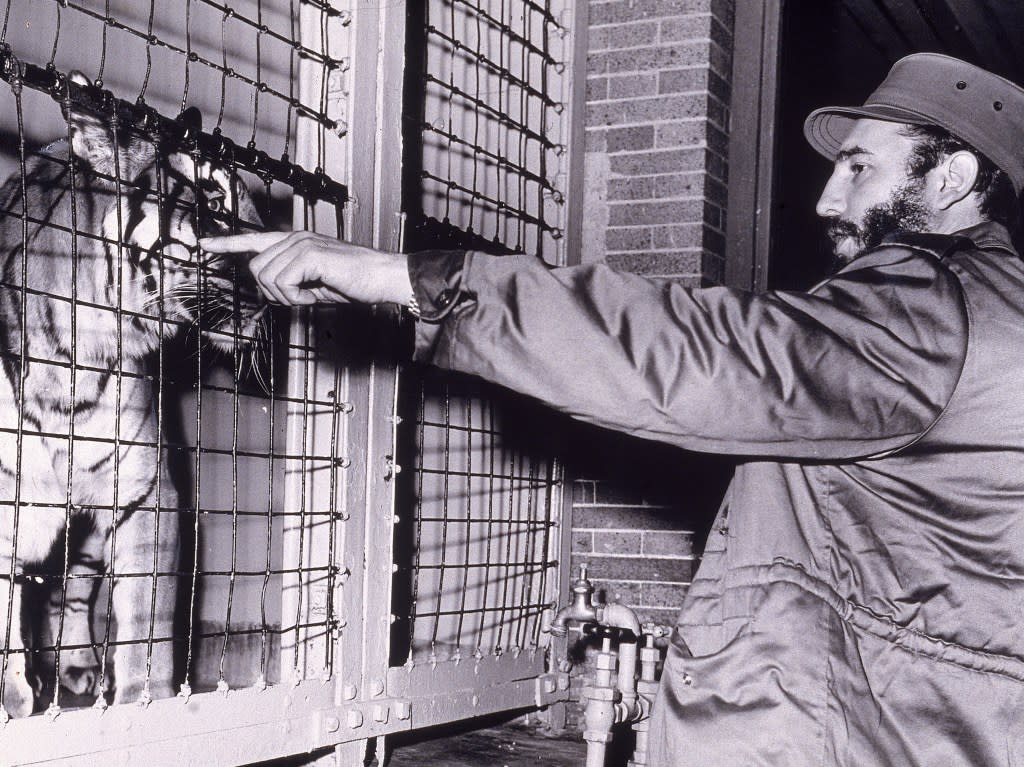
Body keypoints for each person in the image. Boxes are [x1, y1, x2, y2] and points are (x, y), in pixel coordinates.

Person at [203, 53, 1024, 765]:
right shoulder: (1002, 308)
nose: (825, 200)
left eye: (858, 168)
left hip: (861, 727)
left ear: (949, 178)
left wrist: (412, 278)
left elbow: (700, 355)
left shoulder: (927, 301)